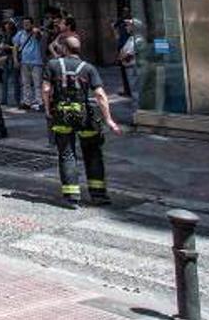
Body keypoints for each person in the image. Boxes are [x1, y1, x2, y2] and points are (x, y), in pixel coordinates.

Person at [42, 34, 122, 209]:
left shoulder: (53, 65)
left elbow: (46, 89)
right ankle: (98, 195)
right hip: (85, 115)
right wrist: (109, 120)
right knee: (93, 153)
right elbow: (100, 95)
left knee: (67, 154)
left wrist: (48, 110)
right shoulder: (89, 68)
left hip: (62, 115)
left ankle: (72, 197)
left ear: (63, 49)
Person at [16, 19, 45, 111]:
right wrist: (15, 60)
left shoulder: (35, 33)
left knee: (37, 83)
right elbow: (16, 46)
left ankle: (40, 102)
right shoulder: (20, 34)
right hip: (24, 61)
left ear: (32, 24)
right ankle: (27, 102)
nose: (26, 25)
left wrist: (37, 31)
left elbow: (39, 36)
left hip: (36, 61)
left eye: (28, 23)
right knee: (25, 83)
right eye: (24, 24)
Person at [0, 19, 21, 107]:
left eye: (8, 24)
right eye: (5, 24)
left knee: (15, 80)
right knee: (4, 80)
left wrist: (9, 47)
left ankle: (17, 99)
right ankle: (4, 99)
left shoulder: (16, 35)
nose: (6, 26)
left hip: (13, 57)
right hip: (5, 57)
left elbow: (18, 47)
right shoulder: (4, 35)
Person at [117, 17, 138, 99]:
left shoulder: (137, 39)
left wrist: (121, 58)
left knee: (136, 90)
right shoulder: (130, 38)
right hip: (129, 67)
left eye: (128, 25)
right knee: (133, 89)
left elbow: (130, 54)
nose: (126, 27)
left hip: (133, 67)